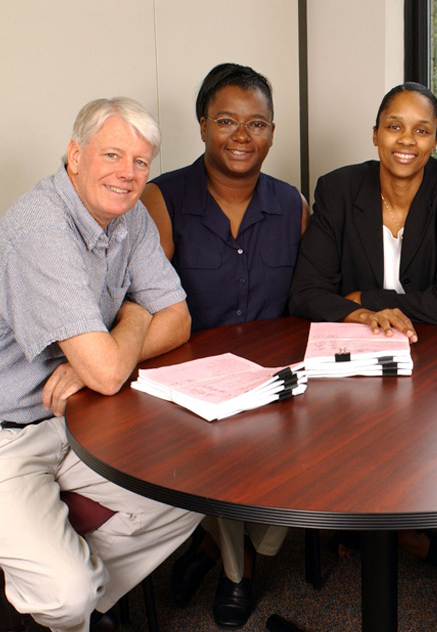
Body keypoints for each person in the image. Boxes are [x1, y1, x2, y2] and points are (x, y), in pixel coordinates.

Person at [0, 97, 201, 632]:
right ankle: (63, 598)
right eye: (112, 154)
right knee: (67, 592)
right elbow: (112, 370)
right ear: (74, 156)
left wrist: (105, 354)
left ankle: (43, 599)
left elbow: (180, 320)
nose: (127, 174)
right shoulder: (40, 229)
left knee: (192, 493)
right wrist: (136, 315)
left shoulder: (129, 215)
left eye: (141, 162)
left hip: (69, 419)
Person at [288, 82, 437, 573]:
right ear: (375, 134)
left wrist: (363, 297)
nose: (406, 140)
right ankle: (385, 532)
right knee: (345, 430)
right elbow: (305, 293)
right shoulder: (339, 188)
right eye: (394, 127)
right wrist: (358, 314)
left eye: (422, 131)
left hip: (435, 351)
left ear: (435, 141)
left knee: (426, 439)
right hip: (360, 350)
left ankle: (400, 531)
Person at [142, 63, 308, 630]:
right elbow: (140, 303)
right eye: (227, 121)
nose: (242, 136)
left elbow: (315, 296)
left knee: (332, 444)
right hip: (189, 383)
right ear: (203, 125)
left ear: (272, 131)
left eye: (257, 123)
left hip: (278, 380)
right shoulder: (161, 199)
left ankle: (214, 546)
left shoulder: (293, 204)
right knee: (227, 449)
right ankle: (238, 572)